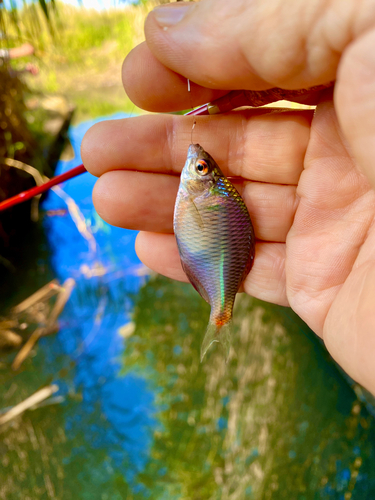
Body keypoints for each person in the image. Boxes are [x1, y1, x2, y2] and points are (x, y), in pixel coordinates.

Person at [81, 0, 375, 394]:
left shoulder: (211, 196)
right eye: (203, 167)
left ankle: (219, 317)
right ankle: (220, 316)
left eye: (201, 168)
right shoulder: (208, 196)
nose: (195, 162)